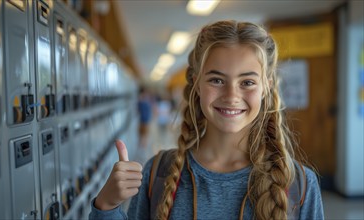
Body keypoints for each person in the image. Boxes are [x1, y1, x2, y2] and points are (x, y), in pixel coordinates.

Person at [89, 20, 324, 220]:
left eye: (247, 82)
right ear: (196, 82)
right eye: (217, 80)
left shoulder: (298, 185)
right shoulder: (159, 173)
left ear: (266, 87)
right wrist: (107, 205)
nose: (232, 96)